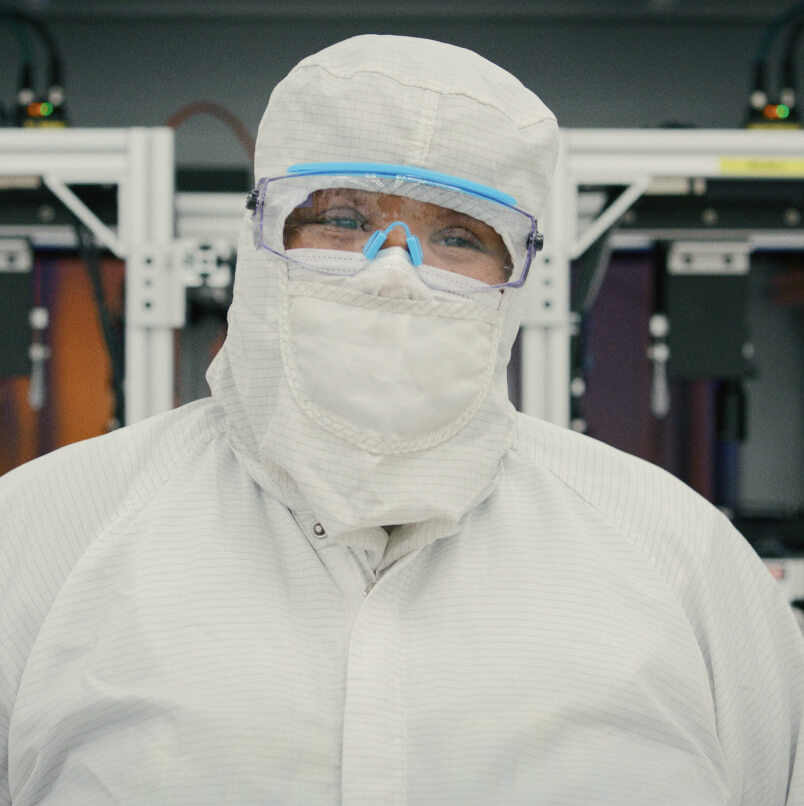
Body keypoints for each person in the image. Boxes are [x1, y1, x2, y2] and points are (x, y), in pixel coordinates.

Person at [0, 34, 802, 806]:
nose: (394, 272)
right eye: (343, 220)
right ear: (259, 234)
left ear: (516, 276)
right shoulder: (43, 539)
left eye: (457, 236)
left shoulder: (680, 559)